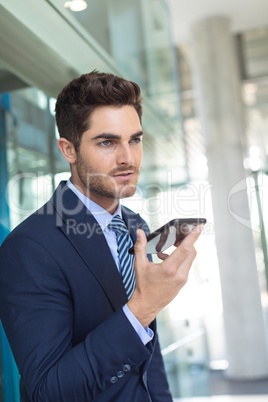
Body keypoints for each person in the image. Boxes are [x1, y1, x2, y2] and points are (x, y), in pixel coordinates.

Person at [0, 71, 203, 401]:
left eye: (134, 139)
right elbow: (46, 391)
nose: (128, 158)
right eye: (107, 142)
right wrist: (142, 308)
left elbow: (148, 360)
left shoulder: (133, 224)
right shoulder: (29, 248)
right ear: (68, 149)